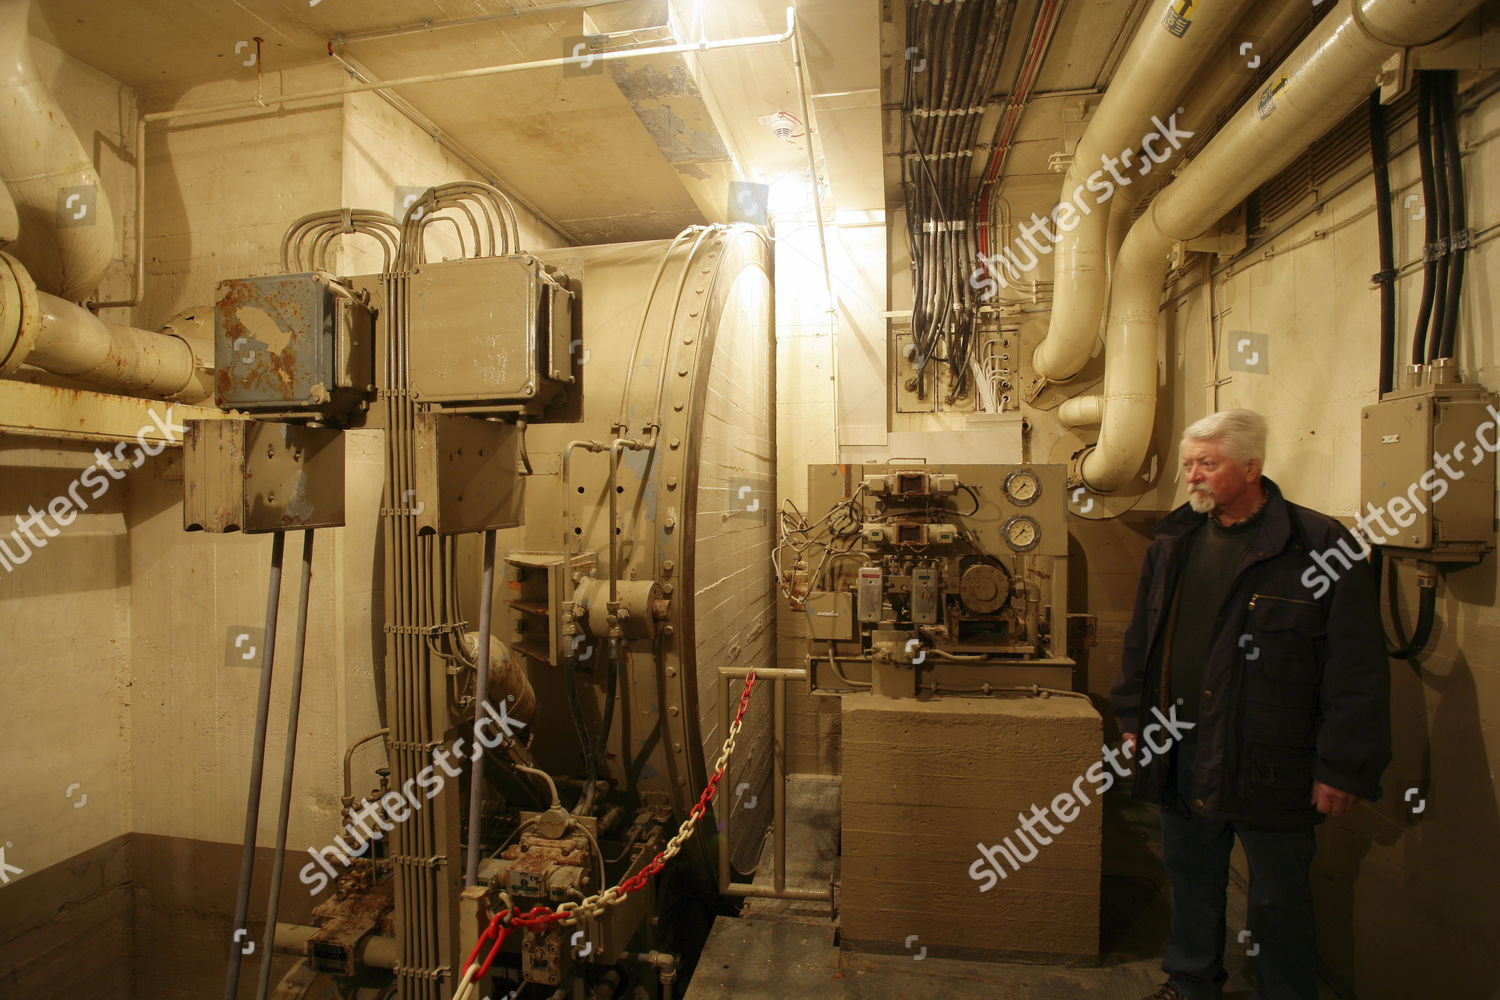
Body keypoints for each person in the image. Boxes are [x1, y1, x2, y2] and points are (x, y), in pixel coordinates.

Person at [1111, 409, 1390, 1000]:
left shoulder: (1318, 547)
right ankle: (1190, 982)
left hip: (1273, 761)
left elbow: (1356, 669)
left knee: (1277, 897)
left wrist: (1342, 767)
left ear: (1252, 467)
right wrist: (1136, 721)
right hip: (1182, 749)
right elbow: (1143, 638)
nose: (1194, 478)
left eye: (1208, 465)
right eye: (1190, 465)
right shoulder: (1174, 541)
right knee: (1191, 877)